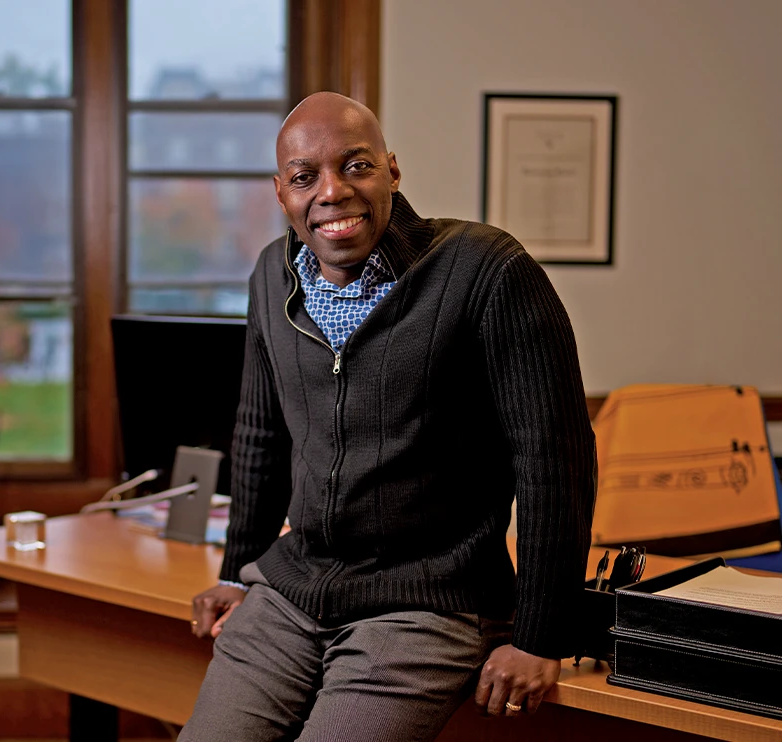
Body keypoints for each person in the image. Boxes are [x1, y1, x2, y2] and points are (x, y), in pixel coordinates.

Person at [180, 92, 596, 742]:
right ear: (281, 192)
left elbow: (553, 460)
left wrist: (543, 636)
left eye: (356, 166)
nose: (332, 191)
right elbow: (259, 436)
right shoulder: (271, 274)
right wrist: (236, 572)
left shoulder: (486, 271)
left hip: (424, 604)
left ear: (392, 172)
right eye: (304, 176)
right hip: (293, 591)